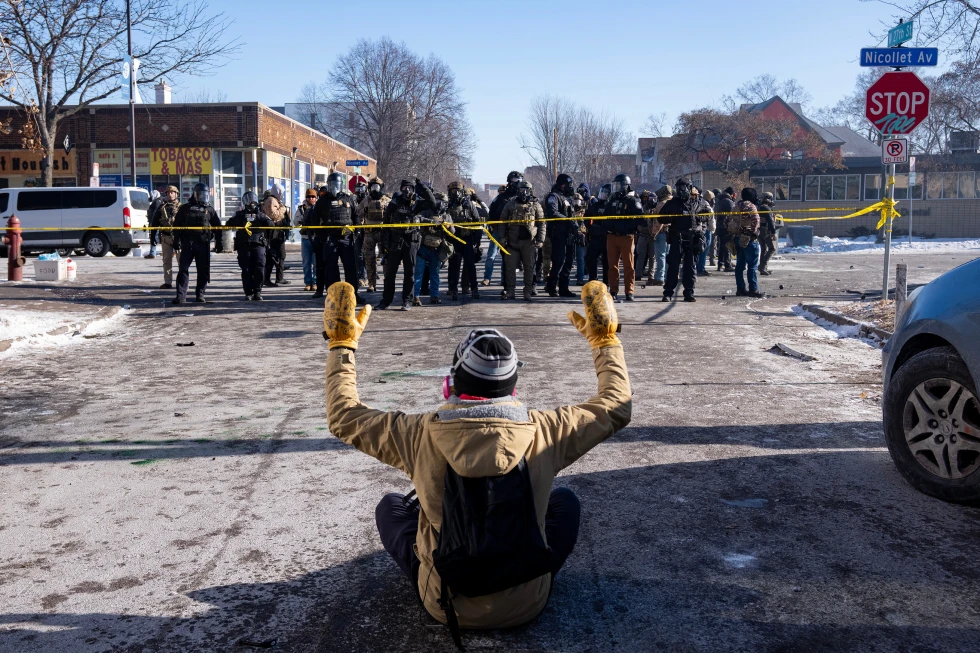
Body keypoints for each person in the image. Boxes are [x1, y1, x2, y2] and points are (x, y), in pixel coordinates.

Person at [321, 279, 631, 647]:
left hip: (443, 603)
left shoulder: (416, 433)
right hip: (528, 603)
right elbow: (616, 405)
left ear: (450, 384)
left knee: (391, 506)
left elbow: (343, 415)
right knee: (565, 501)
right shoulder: (548, 430)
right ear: (513, 388)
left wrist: (342, 346)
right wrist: (605, 342)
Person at [658, 178, 711, 303]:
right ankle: (668, 293)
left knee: (690, 267)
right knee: (673, 266)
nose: (681, 190)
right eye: (679, 188)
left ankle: (689, 292)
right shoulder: (672, 203)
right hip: (677, 238)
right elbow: (661, 218)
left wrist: (698, 218)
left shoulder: (697, 202)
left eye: (683, 187)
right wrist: (672, 217)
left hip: (692, 239)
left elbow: (708, 214)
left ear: (689, 188)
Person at [311, 172, 360, 300]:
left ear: (341, 185)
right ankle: (334, 295)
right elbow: (314, 221)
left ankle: (353, 294)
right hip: (330, 239)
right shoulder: (322, 201)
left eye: (336, 184)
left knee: (350, 267)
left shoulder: (348, 199)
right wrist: (322, 237)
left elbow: (356, 217)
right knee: (331, 268)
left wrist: (356, 232)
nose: (334, 187)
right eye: (331, 184)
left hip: (346, 239)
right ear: (328, 185)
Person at [171, 182, 220, 305]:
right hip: (188, 243)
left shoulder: (209, 209)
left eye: (205, 194)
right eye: (201, 194)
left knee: (203, 270)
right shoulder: (185, 208)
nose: (203, 197)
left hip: (203, 243)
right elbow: (176, 225)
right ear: (195, 195)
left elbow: (218, 227)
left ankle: (200, 294)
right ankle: (181, 296)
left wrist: (219, 243)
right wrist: (176, 240)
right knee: (183, 269)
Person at [378, 179, 423, 311]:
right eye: (404, 188)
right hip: (395, 241)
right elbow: (386, 224)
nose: (407, 191)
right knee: (390, 273)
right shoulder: (394, 203)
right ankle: (386, 301)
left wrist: (421, 186)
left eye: (410, 188)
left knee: (409, 273)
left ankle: (407, 301)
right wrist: (384, 245)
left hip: (410, 241)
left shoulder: (416, 204)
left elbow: (431, 201)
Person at [499, 180, 545, 301]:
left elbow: (541, 223)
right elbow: (502, 221)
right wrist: (502, 238)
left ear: (530, 191)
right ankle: (510, 291)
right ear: (518, 191)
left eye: (526, 190)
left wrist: (540, 240)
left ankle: (528, 291)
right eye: (521, 190)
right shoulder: (510, 204)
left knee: (529, 267)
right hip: (512, 242)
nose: (524, 192)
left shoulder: (535, 205)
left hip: (529, 242)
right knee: (510, 268)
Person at [227, 191, 274, 301]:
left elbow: (271, 224)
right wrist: (242, 219)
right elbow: (229, 224)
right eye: (248, 201)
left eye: (253, 200)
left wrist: (259, 217)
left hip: (258, 244)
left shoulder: (260, 214)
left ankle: (257, 291)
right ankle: (248, 292)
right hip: (244, 244)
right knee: (246, 269)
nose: (251, 203)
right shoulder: (239, 214)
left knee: (259, 266)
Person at [604, 173, 644, 301]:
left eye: (618, 185)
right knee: (612, 266)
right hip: (612, 236)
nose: (616, 188)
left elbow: (641, 219)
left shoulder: (632, 200)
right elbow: (604, 216)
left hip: (627, 237)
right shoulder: (612, 200)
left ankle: (629, 291)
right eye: (614, 185)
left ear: (625, 186)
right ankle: (613, 290)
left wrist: (629, 226)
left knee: (629, 266)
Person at [411, 191, 454, 306]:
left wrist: (447, 226)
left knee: (435, 274)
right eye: (437, 201)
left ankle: (434, 296)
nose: (439, 204)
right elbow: (417, 218)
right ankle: (416, 297)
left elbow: (453, 232)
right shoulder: (426, 211)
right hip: (423, 248)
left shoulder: (447, 216)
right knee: (418, 274)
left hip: (437, 249)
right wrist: (429, 221)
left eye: (442, 202)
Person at [543, 173, 579, 298]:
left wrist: (576, 228)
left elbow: (572, 215)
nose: (570, 187)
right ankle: (551, 286)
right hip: (558, 234)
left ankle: (564, 288)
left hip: (569, 234)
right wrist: (567, 220)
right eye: (568, 184)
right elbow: (553, 212)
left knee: (569, 261)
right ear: (562, 185)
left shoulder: (567, 198)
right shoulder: (553, 197)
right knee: (559, 261)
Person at [446, 181, 482, 301]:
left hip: (467, 239)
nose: (456, 193)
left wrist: (477, 238)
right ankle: (453, 289)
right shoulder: (447, 205)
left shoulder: (469, 204)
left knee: (470, 265)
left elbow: (477, 221)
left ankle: (474, 289)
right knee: (454, 266)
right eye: (453, 191)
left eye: (458, 191)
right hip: (453, 239)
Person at [485, 174, 522, 287]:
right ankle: (488, 278)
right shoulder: (501, 197)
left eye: (519, 180)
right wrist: (492, 226)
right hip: (498, 230)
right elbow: (491, 212)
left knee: (509, 257)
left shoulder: (521, 197)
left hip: (513, 231)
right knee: (492, 255)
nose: (517, 183)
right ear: (510, 181)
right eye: (515, 180)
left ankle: (506, 281)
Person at [729, 187, 764, 298]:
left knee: (740, 266)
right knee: (752, 266)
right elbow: (756, 220)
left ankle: (740, 289)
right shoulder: (751, 206)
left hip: (737, 238)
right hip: (749, 239)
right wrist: (752, 232)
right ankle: (753, 289)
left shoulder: (736, 206)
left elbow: (727, 220)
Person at [358, 177, 390, 293]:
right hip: (369, 233)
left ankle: (387, 282)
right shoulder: (365, 201)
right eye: (373, 187)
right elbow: (358, 215)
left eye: (377, 187)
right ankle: (372, 284)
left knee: (386, 259)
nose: (375, 189)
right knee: (369, 259)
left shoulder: (387, 201)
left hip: (383, 233)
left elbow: (392, 216)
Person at [149, 185, 180, 289]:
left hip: (179, 238)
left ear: (176, 194)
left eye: (172, 192)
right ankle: (168, 282)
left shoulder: (182, 207)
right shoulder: (162, 207)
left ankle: (182, 283)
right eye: (168, 193)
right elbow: (155, 223)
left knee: (181, 261)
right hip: (166, 237)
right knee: (166, 261)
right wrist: (152, 237)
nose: (170, 194)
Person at [262, 186, 291, 287]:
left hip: (278, 233)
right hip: (273, 234)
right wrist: (283, 208)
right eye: (281, 192)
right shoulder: (271, 200)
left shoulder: (275, 201)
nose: (282, 195)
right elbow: (274, 215)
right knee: (274, 256)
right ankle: (268, 279)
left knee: (279, 255)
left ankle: (278, 278)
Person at [584, 183, 610, 285]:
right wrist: (590, 227)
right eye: (602, 193)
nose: (603, 195)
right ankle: (593, 279)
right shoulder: (596, 205)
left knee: (607, 262)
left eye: (605, 193)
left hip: (608, 237)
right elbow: (586, 216)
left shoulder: (611, 206)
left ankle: (606, 283)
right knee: (590, 258)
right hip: (596, 237)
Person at [295, 188, 319, 291]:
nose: (311, 199)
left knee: (316, 262)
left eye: (313, 197)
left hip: (316, 238)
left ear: (316, 198)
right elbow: (295, 222)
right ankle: (308, 283)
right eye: (309, 197)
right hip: (305, 238)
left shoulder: (319, 207)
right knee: (306, 262)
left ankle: (315, 282)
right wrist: (303, 218)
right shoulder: (301, 209)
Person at [650, 185, 672, 287]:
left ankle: (659, 277)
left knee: (660, 256)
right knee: (668, 256)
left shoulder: (662, 204)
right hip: (671, 233)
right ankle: (668, 276)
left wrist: (654, 233)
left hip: (662, 232)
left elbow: (659, 221)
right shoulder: (673, 203)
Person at [633, 190, 656, 287]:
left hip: (653, 236)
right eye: (650, 199)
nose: (652, 200)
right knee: (641, 255)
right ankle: (638, 274)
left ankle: (651, 275)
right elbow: (638, 222)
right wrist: (641, 229)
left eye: (653, 199)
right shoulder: (642, 209)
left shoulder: (656, 210)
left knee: (652, 257)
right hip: (643, 235)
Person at [714, 187, 736, 272]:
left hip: (719, 226)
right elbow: (733, 214)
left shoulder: (719, 200)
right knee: (727, 245)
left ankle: (720, 264)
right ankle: (727, 264)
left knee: (721, 246)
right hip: (726, 226)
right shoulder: (728, 201)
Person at [695, 187, 716, 277]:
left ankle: (695, 267)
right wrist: (712, 229)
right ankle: (701, 268)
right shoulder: (707, 206)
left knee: (697, 250)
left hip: (697, 229)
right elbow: (711, 220)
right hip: (706, 230)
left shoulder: (697, 203)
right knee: (704, 250)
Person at [574, 184, 591, 285]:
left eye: (578, 201)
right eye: (575, 201)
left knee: (580, 258)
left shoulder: (585, 210)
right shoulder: (570, 210)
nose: (577, 203)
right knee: (567, 258)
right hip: (571, 234)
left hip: (581, 235)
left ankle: (580, 277)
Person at [757, 191, 777, 276]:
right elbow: (770, 221)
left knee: (764, 249)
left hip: (759, 230)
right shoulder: (766, 208)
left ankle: (763, 268)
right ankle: (762, 267)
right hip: (765, 230)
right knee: (772, 248)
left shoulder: (759, 207)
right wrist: (773, 232)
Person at [144, 190, 164, 259]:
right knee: (157, 237)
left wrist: (152, 222)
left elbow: (154, 213)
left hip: (155, 223)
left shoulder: (157, 202)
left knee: (154, 237)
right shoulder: (159, 201)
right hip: (157, 223)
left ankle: (152, 253)